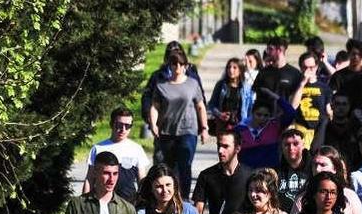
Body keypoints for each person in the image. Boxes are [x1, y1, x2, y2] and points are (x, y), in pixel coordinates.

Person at [149, 50, 209, 200]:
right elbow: (155, 107)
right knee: (168, 167)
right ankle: (170, 196)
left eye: (181, 64)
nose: (177, 66)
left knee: (185, 165)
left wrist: (204, 128)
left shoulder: (192, 84)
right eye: (174, 63)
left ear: (186, 66)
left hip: (188, 131)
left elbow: (200, 106)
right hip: (167, 131)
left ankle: (185, 198)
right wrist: (154, 124)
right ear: (169, 66)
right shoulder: (162, 85)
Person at [83, 107, 150, 204]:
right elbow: (89, 178)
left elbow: (142, 181)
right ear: (111, 124)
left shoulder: (136, 149)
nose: (123, 129)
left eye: (127, 126)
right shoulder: (98, 148)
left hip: (128, 203)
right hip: (102, 201)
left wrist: (144, 203)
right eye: (119, 125)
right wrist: (84, 202)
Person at [236, 88, 296, 170]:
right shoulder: (239, 130)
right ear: (252, 113)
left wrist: (275, 97)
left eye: (266, 115)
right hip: (246, 174)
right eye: (259, 114)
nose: (262, 118)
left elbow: (291, 112)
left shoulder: (274, 126)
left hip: (270, 174)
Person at [330, 39, 362, 126]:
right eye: (353, 54)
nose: (356, 57)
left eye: (359, 54)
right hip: (341, 120)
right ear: (348, 54)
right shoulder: (338, 76)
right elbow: (331, 100)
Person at [290, 51, 332, 148]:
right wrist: (302, 83)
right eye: (305, 67)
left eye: (311, 67)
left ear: (317, 67)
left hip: (318, 131)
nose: (308, 71)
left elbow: (328, 110)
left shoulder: (324, 88)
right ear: (300, 68)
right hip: (301, 130)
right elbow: (293, 106)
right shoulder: (296, 85)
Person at [252, 36, 303, 108]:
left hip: (286, 117)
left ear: (279, 50)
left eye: (270, 49)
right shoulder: (263, 73)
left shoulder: (295, 74)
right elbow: (257, 96)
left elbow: (297, 99)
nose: (267, 52)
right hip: (266, 117)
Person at [208, 58, 247, 135]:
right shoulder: (221, 85)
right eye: (229, 67)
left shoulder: (246, 87)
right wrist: (220, 114)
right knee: (223, 146)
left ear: (240, 70)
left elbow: (249, 107)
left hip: (239, 124)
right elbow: (211, 104)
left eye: (234, 67)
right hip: (223, 124)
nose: (231, 70)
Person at [277, 128, 312, 212]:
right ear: (282, 147)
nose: (291, 148)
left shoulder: (314, 168)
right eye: (287, 144)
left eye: (295, 144)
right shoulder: (275, 171)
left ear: (303, 145)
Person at [242, 49, 263, 120]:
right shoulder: (242, 72)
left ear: (257, 61)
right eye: (246, 61)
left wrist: (249, 69)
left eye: (250, 61)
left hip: (255, 103)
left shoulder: (260, 73)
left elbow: (255, 84)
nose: (247, 63)